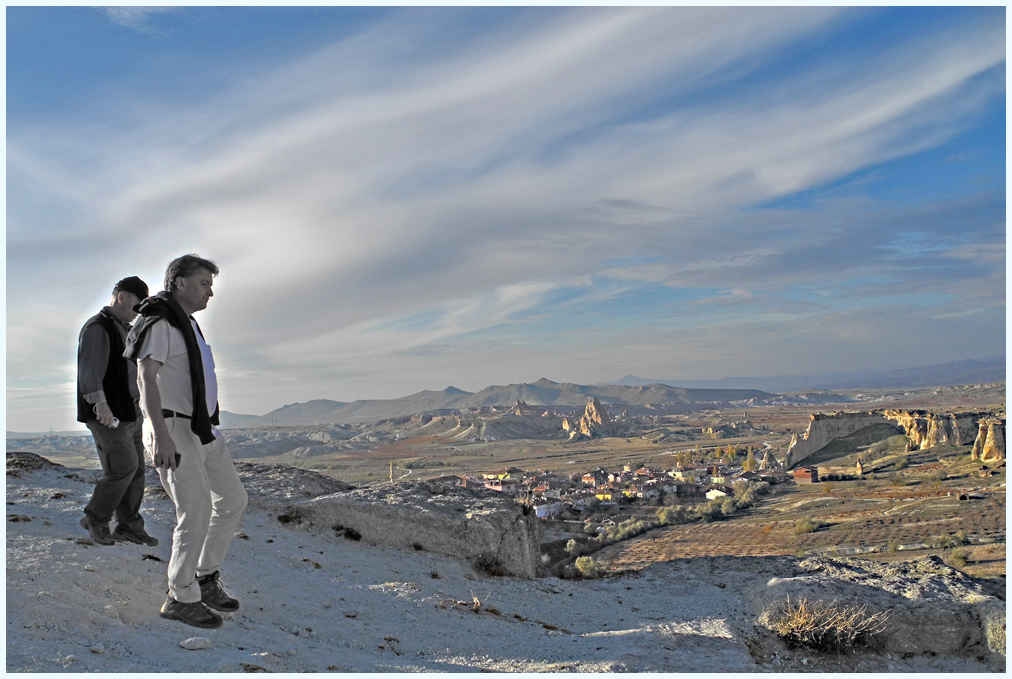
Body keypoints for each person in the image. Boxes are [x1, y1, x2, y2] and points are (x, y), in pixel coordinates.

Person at [125, 254, 248, 630]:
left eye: (211, 285)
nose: (210, 292)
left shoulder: (187, 324)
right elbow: (146, 378)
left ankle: (204, 576)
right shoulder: (161, 322)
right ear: (179, 282)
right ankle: (181, 597)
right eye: (204, 283)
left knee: (232, 500)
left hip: (202, 427)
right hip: (174, 429)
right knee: (193, 512)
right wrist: (160, 435)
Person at [76, 275, 158, 547]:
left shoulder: (124, 327)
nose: (139, 313)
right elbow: (89, 371)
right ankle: (96, 519)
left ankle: (129, 527)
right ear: (122, 297)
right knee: (122, 467)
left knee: (136, 471)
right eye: (138, 305)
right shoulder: (98, 327)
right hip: (108, 415)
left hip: (130, 412)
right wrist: (100, 404)